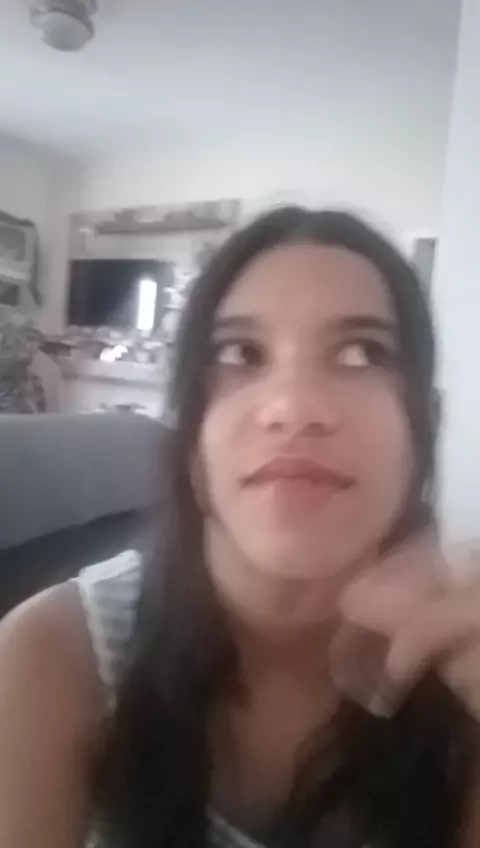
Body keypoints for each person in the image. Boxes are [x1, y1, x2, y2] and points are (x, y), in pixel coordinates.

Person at [1, 207, 480, 848]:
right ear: (191, 430)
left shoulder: (463, 675)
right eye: (240, 353)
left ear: (425, 427)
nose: (293, 408)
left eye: (363, 352)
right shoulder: (49, 656)